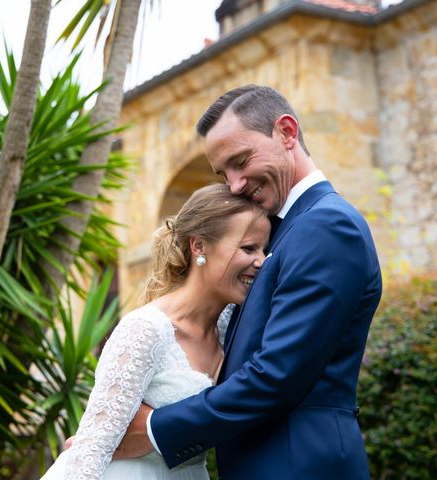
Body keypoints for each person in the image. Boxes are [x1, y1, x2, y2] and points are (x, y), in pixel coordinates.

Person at [114, 85, 383, 479]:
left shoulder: (327, 226)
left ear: (287, 133)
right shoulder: (287, 229)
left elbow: (276, 375)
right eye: (224, 172)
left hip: (300, 465)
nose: (235, 184)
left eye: (241, 161)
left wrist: (155, 430)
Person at [40, 184, 270, 480]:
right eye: (248, 248)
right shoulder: (146, 329)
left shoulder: (231, 326)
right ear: (198, 246)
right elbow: (90, 450)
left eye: (264, 249)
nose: (261, 262)